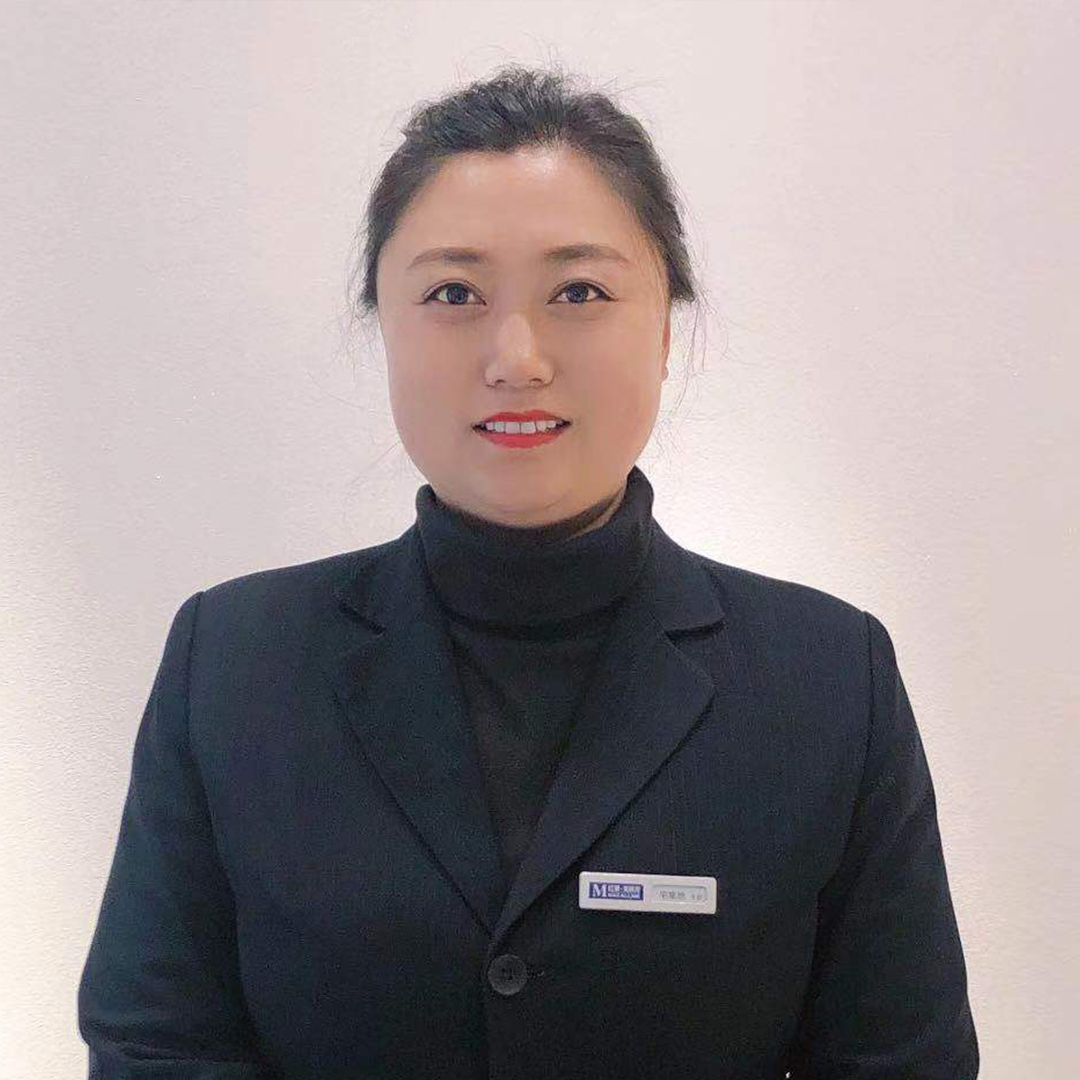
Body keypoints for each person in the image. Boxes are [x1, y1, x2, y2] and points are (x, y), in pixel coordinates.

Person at [77, 63, 980, 1079]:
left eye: (579, 291)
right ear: (384, 326)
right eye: (453, 294)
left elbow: (901, 1060)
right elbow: (157, 1044)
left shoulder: (828, 679)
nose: (517, 356)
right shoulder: (233, 664)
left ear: (665, 328)